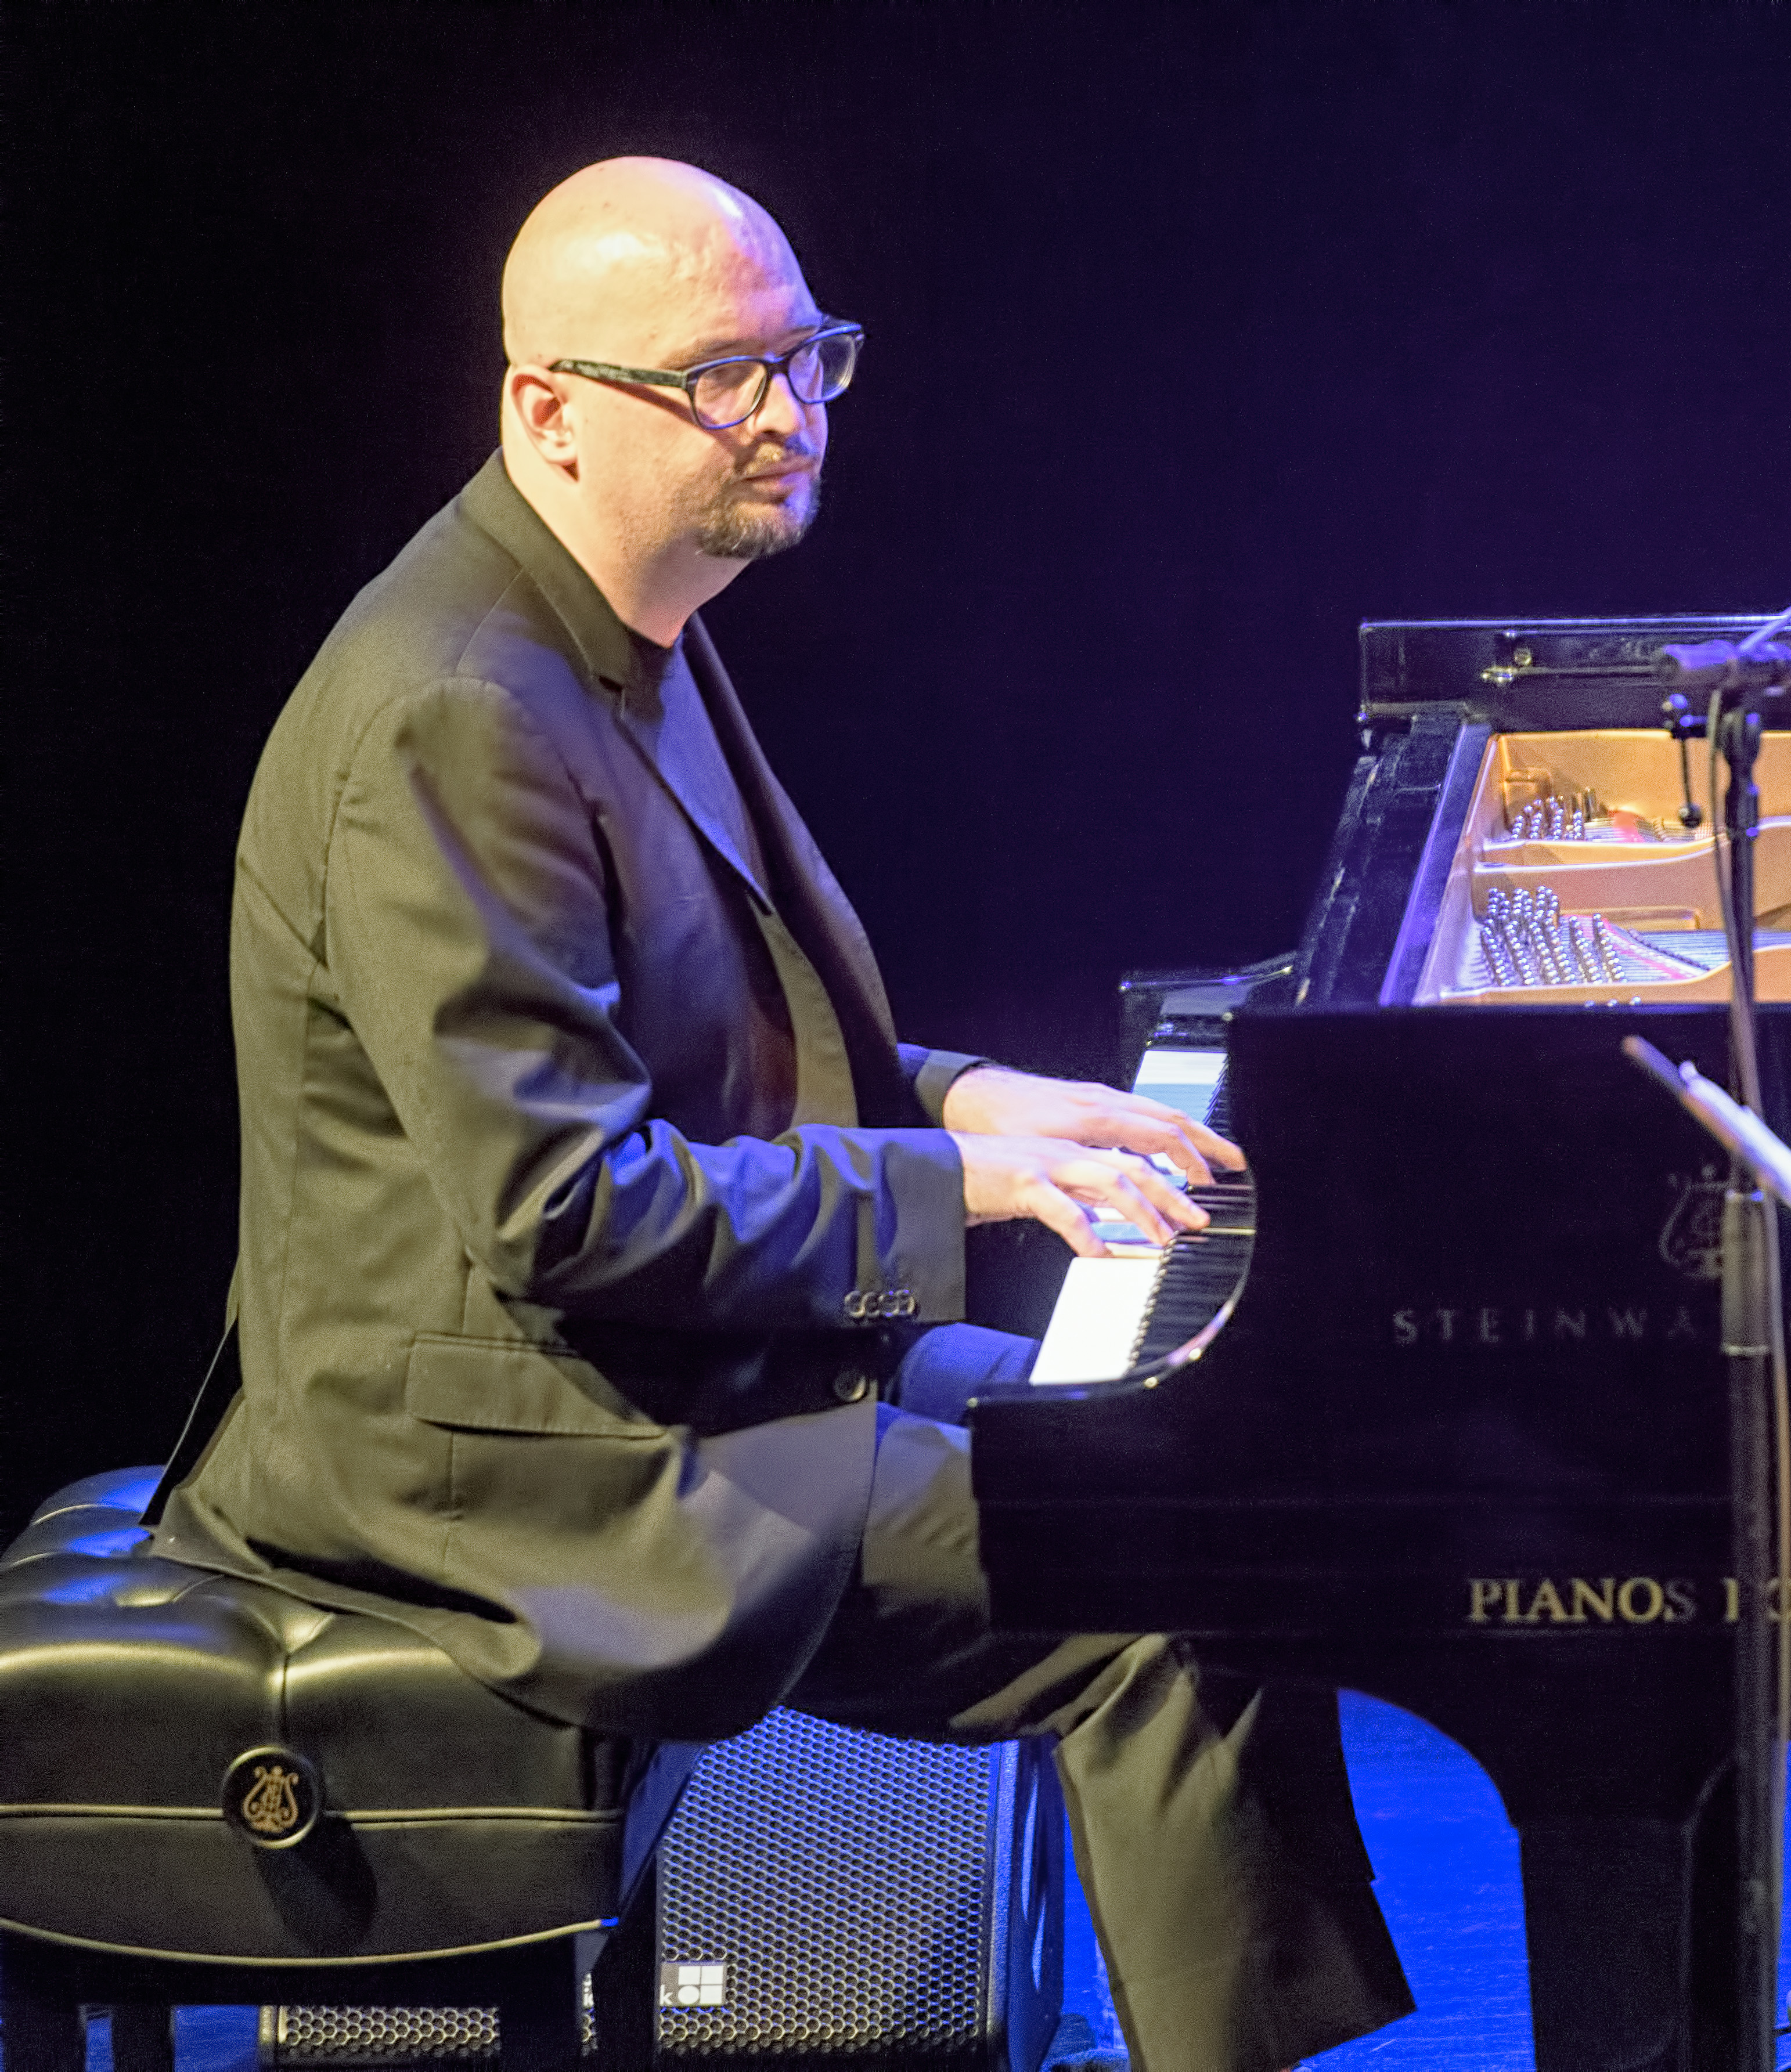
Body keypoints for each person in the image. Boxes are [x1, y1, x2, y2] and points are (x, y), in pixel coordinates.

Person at [154, 157, 1412, 2071]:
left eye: (807, 357)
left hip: (656, 1374)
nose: (785, 414)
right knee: (1163, 1577)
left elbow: (705, 1058)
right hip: (506, 1456)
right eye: (716, 376)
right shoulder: (458, 704)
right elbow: (569, 1203)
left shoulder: (622, 619)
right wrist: (963, 1177)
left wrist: (983, 1094)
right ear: (547, 411)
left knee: (1184, 1474)